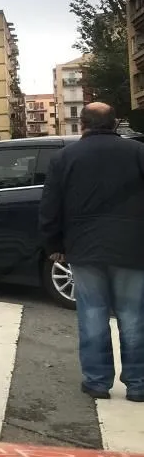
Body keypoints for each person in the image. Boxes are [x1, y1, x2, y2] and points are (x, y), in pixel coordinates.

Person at [39, 102, 144, 402]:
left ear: (82, 124)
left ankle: (97, 382)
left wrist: (54, 245)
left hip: (84, 246)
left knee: (93, 313)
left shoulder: (64, 157)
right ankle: (138, 384)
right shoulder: (138, 152)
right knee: (134, 314)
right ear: (114, 123)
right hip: (132, 246)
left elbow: (50, 206)